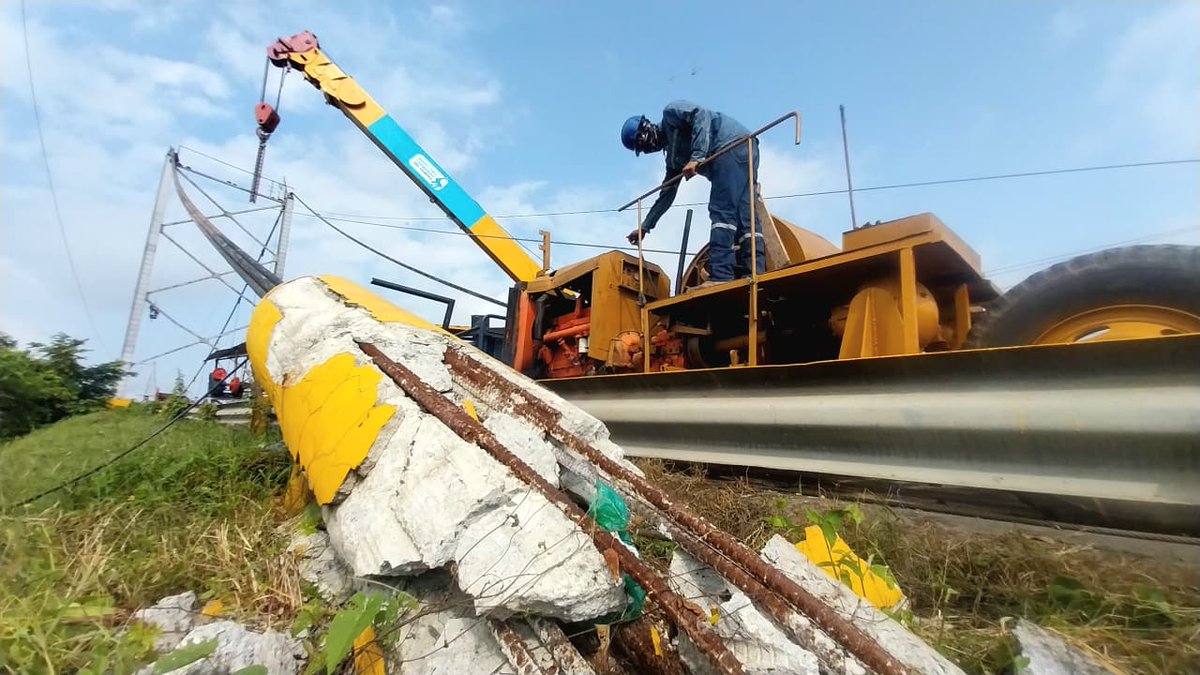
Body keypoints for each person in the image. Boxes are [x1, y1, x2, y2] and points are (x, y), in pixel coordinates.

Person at [620, 101, 766, 287]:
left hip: (728, 146)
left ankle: (721, 275)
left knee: (722, 211)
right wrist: (645, 227)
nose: (648, 150)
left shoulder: (671, 114)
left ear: (646, 130)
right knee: (746, 215)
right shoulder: (674, 159)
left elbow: (700, 114)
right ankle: (755, 271)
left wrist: (697, 156)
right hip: (747, 147)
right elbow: (666, 194)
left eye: (643, 145)